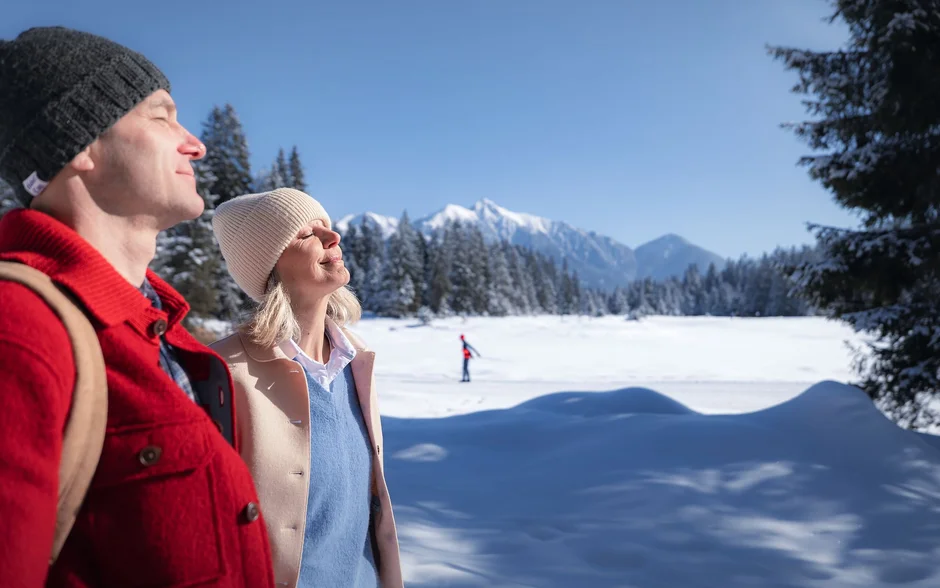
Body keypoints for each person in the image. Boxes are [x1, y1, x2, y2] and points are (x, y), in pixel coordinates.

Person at [0, 27, 275, 587]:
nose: (194, 143)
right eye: (161, 117)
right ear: (77, 146)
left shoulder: (168, 335)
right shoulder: (20, 328)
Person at [210, 188, 403, 588]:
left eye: (327, 227)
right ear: (270, 267)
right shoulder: (224, 376)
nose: (332, 238)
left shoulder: (358, 362)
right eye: (305, 234)